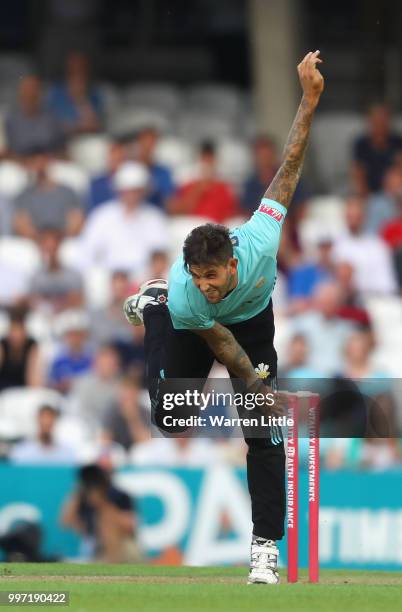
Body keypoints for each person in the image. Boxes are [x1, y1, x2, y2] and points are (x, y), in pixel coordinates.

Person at [124, 51, 324, 584]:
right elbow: (222, 347)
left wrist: (308, 100)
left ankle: (264, 549)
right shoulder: (193, 295)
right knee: (171, 419)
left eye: (212, 276)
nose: (207, 285)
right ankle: (155, 305)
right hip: (195, 326)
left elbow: (290, 165)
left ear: (232, 264)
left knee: (263, 430)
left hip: (254, 321)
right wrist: (255, 380)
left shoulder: (260, 239)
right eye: (198, 276)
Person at [79, 161, 168, 276]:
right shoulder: (102, 216)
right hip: (108, 279)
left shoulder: (155, 218)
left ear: (144, 191)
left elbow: (160, 255)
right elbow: (86, 252)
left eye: (136, 191)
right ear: (118, 191)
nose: (131, 195)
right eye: (127, 191)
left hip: (143, 279)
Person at [60, 464, 140, 562]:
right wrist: (77, 494)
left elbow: (130, 525)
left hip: (121, 545)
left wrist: (103, 505)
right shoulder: (82, 498)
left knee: (109, 527)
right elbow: (65, 522)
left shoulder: (119, 496)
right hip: (94, 546)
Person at [14, 147, 84, 240]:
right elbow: (22, 224)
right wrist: (43, 240)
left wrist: (56, 241)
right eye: (34, 162)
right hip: (35, 244)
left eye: (42, 161)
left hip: (64, 242)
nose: (39, 166)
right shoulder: (24, 195)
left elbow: (77, 221)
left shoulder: (67, 192)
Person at [332, 196, 397, 295]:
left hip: (373, 299)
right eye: (350, 217)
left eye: (357, 217)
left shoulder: (378, 246)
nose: (353, 221)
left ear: (364, 217)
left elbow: (387, 284)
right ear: (344, 217)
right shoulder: (335, 245)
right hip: (341, 300)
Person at [167, 141, 238, 223]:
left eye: (210, 160)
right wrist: (197, 191)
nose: (207, 164)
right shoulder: (189, 186)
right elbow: (174, 212)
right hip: (192, 229)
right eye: (204, 160)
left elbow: (230, 216)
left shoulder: (224, 189)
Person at [5, 75, 63, 156]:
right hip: (20, 163)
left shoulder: (52, 118)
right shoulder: (12, 120)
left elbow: (61, 148)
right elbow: (10, 150)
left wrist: (46, 160)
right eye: (26, 91)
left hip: (50, 161)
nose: (30, 94)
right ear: (20, 94)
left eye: (33, 91)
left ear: (40, 94)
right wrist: (26, 162)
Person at [351, 103, 402, 195]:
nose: (380, 124)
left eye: (383, 120)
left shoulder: (397, 142)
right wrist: (364, 197)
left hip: (393, 192)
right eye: (377, 121)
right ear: (370, 122)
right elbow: (358, 173)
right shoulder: (361, 144)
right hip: (369, 193)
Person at [30, 228, 83, 314]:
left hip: (67, 316)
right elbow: (32, 301)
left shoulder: (73, 275)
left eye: (53, 248)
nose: (50, 252)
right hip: (43, 316)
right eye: (47, 248)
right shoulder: (35, 277)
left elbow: (78, 300)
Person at [47, 52, 102, 135]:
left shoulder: (94, 93)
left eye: (81, 68)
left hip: (90, 139)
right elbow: (52, 125)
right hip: (63, 142)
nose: (78, 71)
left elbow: (97, 125)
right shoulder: (55, 93)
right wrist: (78, 127)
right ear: (68, 70)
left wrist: (81, 99)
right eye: (73, 68)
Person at [10, 404, 77, 464]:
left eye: (50, 419)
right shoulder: (22, 451)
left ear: (54, 422)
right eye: (43, 419)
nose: (46, 422)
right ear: (38, 421)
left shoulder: (67, 452)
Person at [0, 306, 42, 390]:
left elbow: (33, 377)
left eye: (18, 330)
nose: (15, 335)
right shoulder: (2, 344)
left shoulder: (32, 345)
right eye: (13, 330)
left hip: (24, 392)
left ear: (25, 331)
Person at [134, 126, 176, 210]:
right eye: (145, 143)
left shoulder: (164, 173)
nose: (148, 148)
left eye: (152, 143)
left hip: (155, 216)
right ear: (139, 143)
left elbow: (169, 203)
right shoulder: (129, 169)